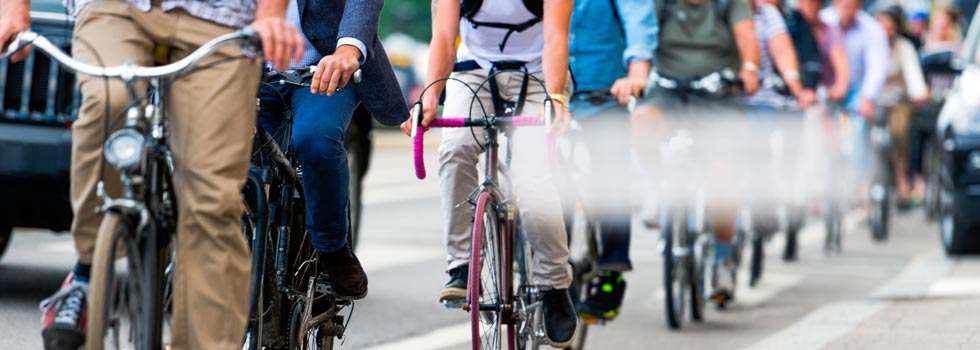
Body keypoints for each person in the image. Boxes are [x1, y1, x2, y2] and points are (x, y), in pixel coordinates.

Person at [0, 0, 304, 349]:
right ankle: (88, 271)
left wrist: (270, 15)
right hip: (114, 9)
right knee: (107, 103)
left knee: (212, 202)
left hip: (221, 17)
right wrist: (14, 9)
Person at [398, 0, 579, 347]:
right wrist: (432, 95)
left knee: (532, 179)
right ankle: (461, 266)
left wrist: (556, 100)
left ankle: (554, 284)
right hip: (475, 71)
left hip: (540, 73)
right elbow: (444, 36)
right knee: (454, 148)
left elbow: (556, 37)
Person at [257, 0, 408, 301]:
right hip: (250, 73)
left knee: (315, 140)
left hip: (326, 71)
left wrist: (348, 50)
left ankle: (333, 250)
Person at [637, 0, 761, 304]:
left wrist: (749, 68)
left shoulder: (727, 4)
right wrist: (636, 71)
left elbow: (746, 34)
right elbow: (639, 32)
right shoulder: (662, 4)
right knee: (641, 121)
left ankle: (722, 258)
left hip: (717, 94)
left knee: (721, 174)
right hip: (669, 90)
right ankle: (656, 186)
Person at [566, 0, 657, 321]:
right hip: (551, 95)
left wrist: (636, 71)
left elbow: (638, 22)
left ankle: (612, 272)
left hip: (605, 94)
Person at [821, 0, 888, 182]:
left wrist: (867, 96)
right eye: (844, 5)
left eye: (852, 6)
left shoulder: (872, 29)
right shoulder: (823, 22)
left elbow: (877, 66)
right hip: (826, 91)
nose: (848, 10)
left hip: (856, 91)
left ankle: (856, 183)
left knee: (858, 128)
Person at [876, 8, 928, 210]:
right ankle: (861, 190)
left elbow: (913, 74)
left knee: (900, 134)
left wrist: (919, 92)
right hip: (871, 102)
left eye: (890, 27)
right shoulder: (870, 44)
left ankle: (901, 181)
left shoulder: (904, 47)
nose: (886, 32)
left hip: (898, 101)